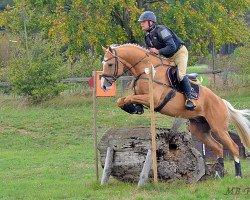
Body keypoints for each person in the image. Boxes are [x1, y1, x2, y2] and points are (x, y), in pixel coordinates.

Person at [138, 11, 196, 110]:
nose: (141, 24)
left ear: (151, 22)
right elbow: (153, 52)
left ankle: (190, 99)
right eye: (141, 22)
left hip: (179, 53)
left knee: (180, 75)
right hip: (169, 57)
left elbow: (172, 47)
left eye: (143, 21)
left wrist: (158, 51)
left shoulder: (162, 30)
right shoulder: (147, 37)